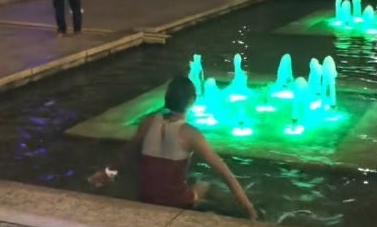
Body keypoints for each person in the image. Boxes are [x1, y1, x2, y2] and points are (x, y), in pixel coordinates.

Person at [89, 75, 257, 219]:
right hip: (175, 201)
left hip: (145, 196)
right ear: (192, 101)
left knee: (191, 182)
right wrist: (246, 204)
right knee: (206, 185)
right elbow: (223, 170)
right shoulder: (191, 133)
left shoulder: (148, 122)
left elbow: (126, 154)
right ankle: (235, 213)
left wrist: (105, 173)